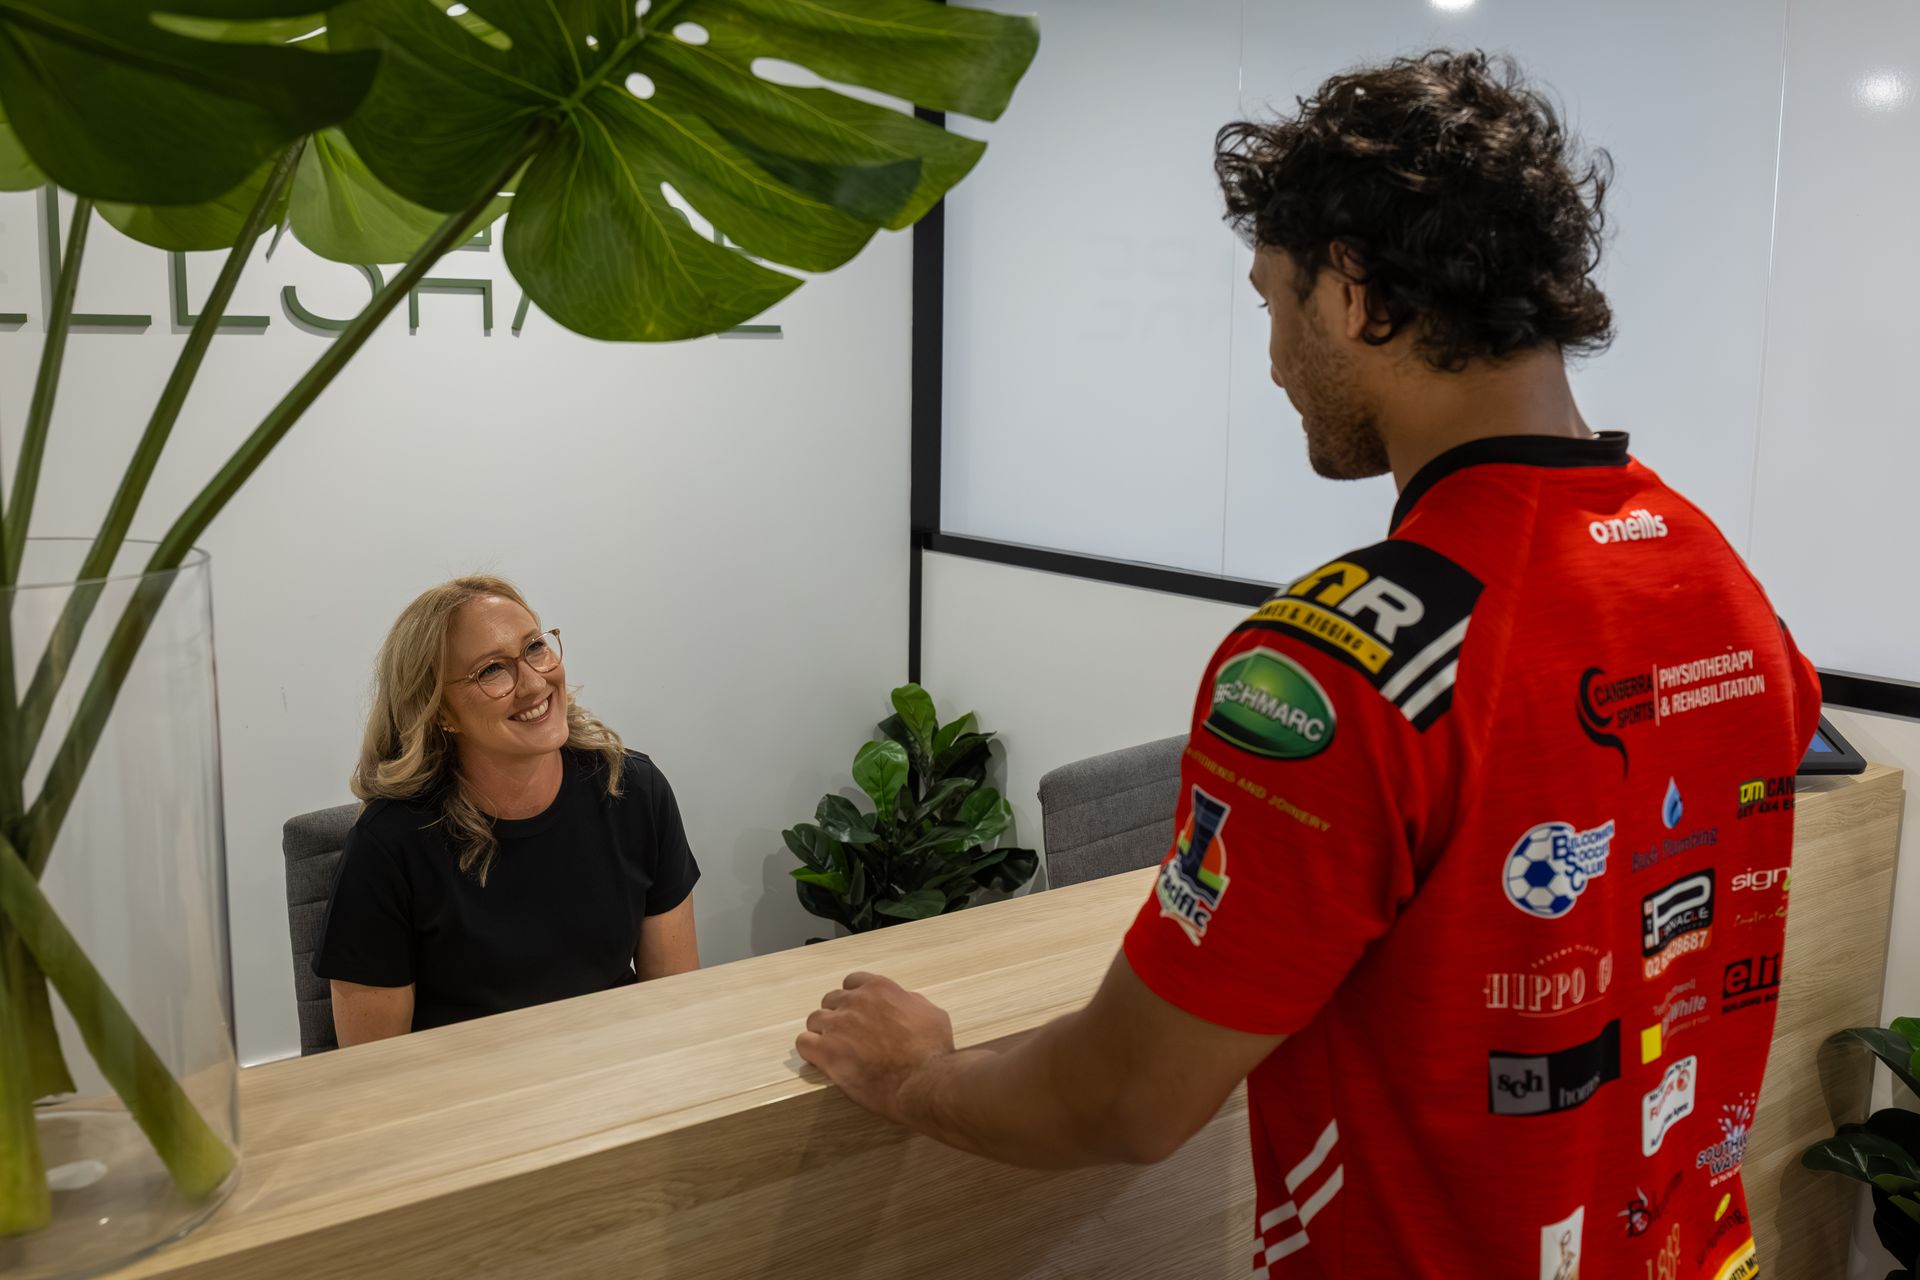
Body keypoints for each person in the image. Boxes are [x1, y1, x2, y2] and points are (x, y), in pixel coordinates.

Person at [796, 50, 1817, 1280]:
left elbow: (1127, 1098)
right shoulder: (1715, 574)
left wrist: (919, 1075)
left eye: (1274, 302)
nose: (1275, 356)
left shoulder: (1336, 664)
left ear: (1353, 294)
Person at [314, 576, 700, 1045]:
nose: (535, 683)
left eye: (535, 647)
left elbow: (674, 1003)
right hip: (470, 1104)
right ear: (440, 712)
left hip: (616, 1079)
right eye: (492, 670)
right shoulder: (389, 845)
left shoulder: (633, 790)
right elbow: (371, 1075)